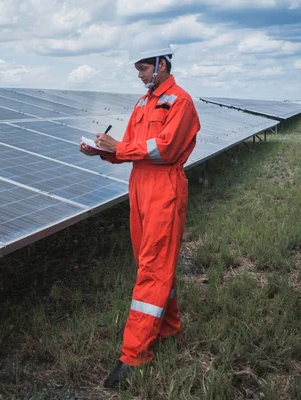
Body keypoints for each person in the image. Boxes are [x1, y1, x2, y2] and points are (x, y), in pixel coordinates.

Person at [79, 32, 201, 389]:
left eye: (144, 67)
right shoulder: (142, 104)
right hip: (140, 190)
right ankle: (170, 329)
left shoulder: (180, 102)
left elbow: (164, 149)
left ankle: (134, 355)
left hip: (165, 189)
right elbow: (129, 148)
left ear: (163, 64)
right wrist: (102, 150)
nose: (140, 74)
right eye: (137, 69)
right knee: (155, 266)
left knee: (152, 269)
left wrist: (122, 147)